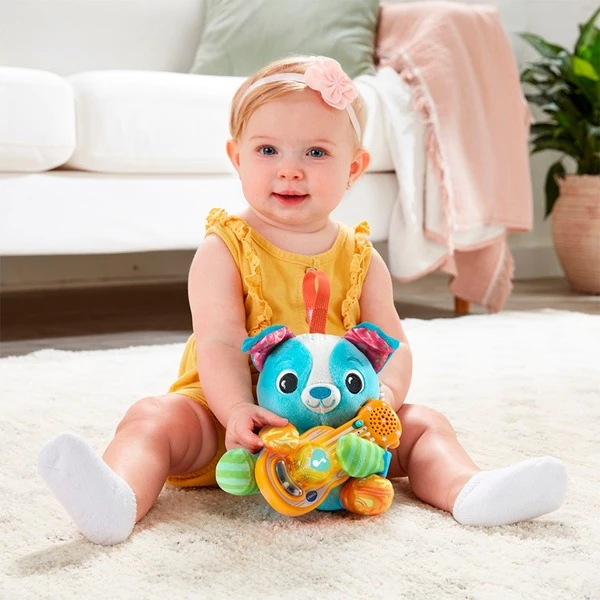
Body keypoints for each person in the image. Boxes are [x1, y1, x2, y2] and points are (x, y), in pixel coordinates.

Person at [38, 56, 567, 545]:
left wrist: (382, 399)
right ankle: (118, 498)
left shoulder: (361, 258)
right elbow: (219, 344)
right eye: (268, 150)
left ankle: (469, 491)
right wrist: (235, 409)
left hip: (341, 427)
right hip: (231, 423)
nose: (289, 169)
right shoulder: (225, 249)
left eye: (315, 152)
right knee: (153, 417)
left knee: (425, 424)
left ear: (354, 168)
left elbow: (395, 346)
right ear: (237, 158)